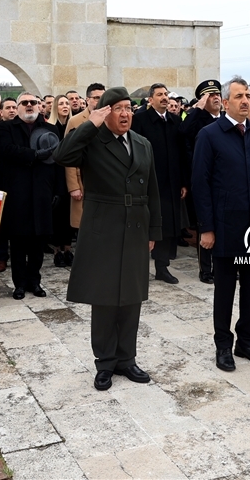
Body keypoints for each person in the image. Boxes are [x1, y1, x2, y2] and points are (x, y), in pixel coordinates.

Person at [53, 87, 161, 391]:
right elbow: (62, 155)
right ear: (105, 113)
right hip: (103, 226)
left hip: (136, 226)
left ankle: (127, 359)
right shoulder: (92, 141)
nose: (126, 113)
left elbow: (152, 190)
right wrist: (90, 124)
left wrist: (154, 232)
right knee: (104, 298)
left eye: (128, 108)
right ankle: (105, 362)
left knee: (131, 296)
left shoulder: (142, 143)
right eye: (118, 108)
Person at [193, 77, 250, 372]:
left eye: (248, 95)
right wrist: (206, 227)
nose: (246, 100)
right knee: (225, 291)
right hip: (226, 228)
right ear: (226, 102)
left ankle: (247, 342)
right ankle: (223, 345)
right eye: (239, 96)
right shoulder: (210, 134)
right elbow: (200, 184)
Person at [0, 92, 57, 299]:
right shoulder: (6, 128)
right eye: (25, 103)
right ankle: (19, 284)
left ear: (40, 106)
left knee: (38, 243)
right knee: (19, 243)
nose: (29, 105)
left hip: (42, 193)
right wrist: (34, 155)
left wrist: (56, 190)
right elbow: (6, 150)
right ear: (18, 107)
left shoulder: (50, 129)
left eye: (33, 102)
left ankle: (35, 281)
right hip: (17, 193)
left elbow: (56, 160)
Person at [132, 83, 187, 284]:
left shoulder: (174, 121)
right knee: (146, 226)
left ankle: (162, 268)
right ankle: (137, 269)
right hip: (147, 183)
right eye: (160, 95)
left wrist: (182, 181)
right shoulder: (140, 120)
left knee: (167, 226)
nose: (164, 97)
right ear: (150, 99)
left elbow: (181, 154)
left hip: (171, 183)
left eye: (166, 94)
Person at [180, 79, 224, 283]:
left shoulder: (225, 119)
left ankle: (225, 266)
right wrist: (197, 109)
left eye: (217, 94)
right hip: (204, 180)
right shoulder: (196, 119)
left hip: (224, 181)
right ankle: (206, 270)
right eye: (209, 95)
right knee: (205, 225)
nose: (215, 98)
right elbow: (181, 133)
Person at [62, 83, 106, 262]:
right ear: (87, 99)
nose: (99, 101)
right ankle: (85, 262)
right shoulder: (76, 121)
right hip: (83, 182)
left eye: (102, 97)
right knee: (85, 227)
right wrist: (73, 186)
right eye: (96, 97)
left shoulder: (111, 119)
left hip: (105, 181)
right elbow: (68, 154)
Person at [46, 94, 74, 266]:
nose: (65, 106)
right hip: (55, 174)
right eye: (61, 103)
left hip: (70, 172)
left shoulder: (72, 126)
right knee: (57, 214)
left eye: (67, 103)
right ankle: (57, 250)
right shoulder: (50, 127)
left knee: (69, 214)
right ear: (55, 107)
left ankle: (68, 248)